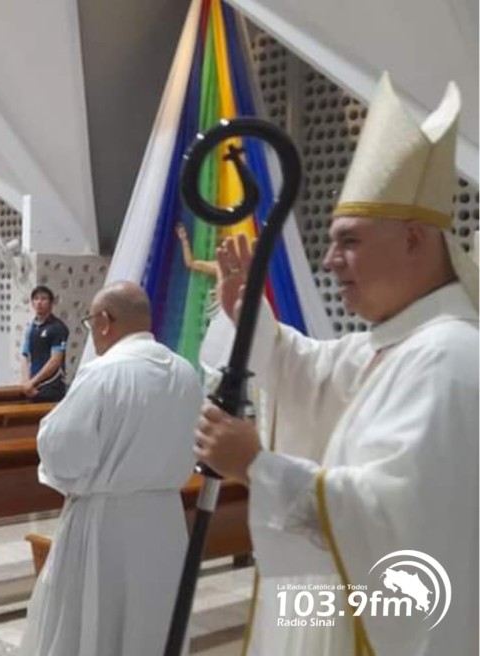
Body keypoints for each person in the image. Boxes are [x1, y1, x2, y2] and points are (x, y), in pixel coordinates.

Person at [195, 74, 478, 655]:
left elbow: (399, 516)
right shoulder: (398, 343)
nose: (329, 261)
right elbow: (314, 370)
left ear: (415, 241)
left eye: (348, 241)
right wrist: (254, 320)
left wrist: (258, 466)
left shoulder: (449, 355)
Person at [19, 281, 202, 656]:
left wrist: (73, 478)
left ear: (104, 321)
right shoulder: (185, 372)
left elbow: (60, 447)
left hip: (106, 524)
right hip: (166, 520)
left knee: (93, 627)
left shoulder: (103, 372)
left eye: (90, 323)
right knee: (154, 621)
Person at [20, 286, 70, 402]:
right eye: (36, 299)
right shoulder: (31, 327)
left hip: (51, 386)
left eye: (43, 299)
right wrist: (26, 381)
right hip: (32, 387)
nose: (39, 302)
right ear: (32, 302)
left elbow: (55, 361)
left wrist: (33, 382)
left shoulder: (58, 327)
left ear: (51, 303)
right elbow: (25, 356)